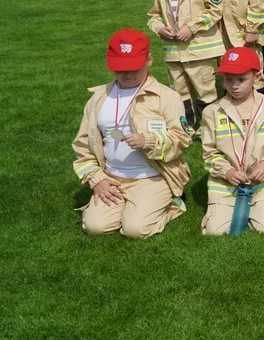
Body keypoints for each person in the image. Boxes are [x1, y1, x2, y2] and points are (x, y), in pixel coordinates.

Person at [72, 29, 191, 238]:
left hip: (153, 177)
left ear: (150, 60)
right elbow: (83, 145)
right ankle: (129, 206)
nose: (127, 74)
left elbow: (182, 139)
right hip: (112, 177)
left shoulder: (167, 97)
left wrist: (150, 141)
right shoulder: (98, 98)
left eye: (133, 67)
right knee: (95, 227)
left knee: (134, 230)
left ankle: (171, 202)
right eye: (120, 69)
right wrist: (97, 179)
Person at [141, 0, 224, 135]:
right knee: (179, 93)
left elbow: (216, 9)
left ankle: (210, 131)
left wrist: (192, 27)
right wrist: (159, 29)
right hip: (174, 53)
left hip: (200, 49)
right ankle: (186, 130)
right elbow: (153, 15)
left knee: (205, 91)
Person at [200, 47, 264, 236]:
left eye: (241, 79)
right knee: (214, 231)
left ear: (257, 77)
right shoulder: (212, 112)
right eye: (227, 79)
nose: (234, 85)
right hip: (224, 183)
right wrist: (228, 171)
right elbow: (209, 154)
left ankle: (263, 204)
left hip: (261, 180)